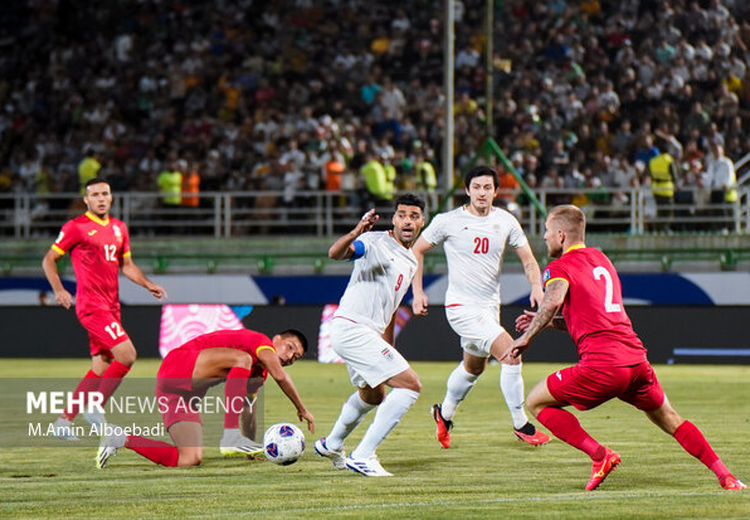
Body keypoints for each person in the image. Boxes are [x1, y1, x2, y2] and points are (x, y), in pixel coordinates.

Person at [502, 204, 746, 491]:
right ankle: (726, 475)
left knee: (535, 401)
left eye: (545, 231)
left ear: (560, 234)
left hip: (603, 366)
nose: (543, 237)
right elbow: (588, 318)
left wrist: (527, 336)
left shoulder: (559, 267)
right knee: (671, 419)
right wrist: (545, 323)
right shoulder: (601, 260)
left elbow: (552, 300)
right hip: (635, 361)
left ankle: (600, 455)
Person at [411, 165, 549, 449]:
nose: (482, 193)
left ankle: (444, 413)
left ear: (496, 191)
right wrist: (417, 292)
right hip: (461, 307)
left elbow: (528, 259)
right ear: (467, 190)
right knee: (512, 354)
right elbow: (416, 250)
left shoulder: (506, 221)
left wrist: (536, 285)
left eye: (487, 187)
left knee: (474, 367)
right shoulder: (447, 221)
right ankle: (521, 423)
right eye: (477, 187)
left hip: (488, 308)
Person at [42, 178, 168, 439]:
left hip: (111, 306)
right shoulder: (76, 227)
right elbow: (49, 259)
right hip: (91, 305)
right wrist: (59, 290)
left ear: (111, 198)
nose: (100, 198)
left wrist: (147, 284)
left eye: (104, 194)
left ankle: (63, 421)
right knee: (127, 354)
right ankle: (96, 407)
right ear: (86, 200)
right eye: (95, 194)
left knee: (101, 365)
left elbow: (127, 265)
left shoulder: (119, 228)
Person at [314, 194, 425, 477]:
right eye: (402, 215)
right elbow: (335, 253)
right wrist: (356, 232)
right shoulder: (375, 241)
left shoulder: (411, 261)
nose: (407, 221)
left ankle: (332, 443)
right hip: (352, 328)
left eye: (414, 216)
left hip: (366, 335)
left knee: (373, 395)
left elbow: (391, 309)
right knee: (411, 386)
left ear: (422, 221)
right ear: (394, 219)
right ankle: (363, 455)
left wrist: (388, 348)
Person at [96, 328, 313, 468]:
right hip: (177, 366)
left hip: (180, 395)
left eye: (296, 357)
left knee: (189, 459)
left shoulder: (259, 375)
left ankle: (120, 438)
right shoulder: (261, 341)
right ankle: (230, 436)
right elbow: (280, 375)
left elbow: (248, 410)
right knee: (243, 359)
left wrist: (249, 448)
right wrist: (302, 409)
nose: (289, 356)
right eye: (290, 347)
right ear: (276, 339)